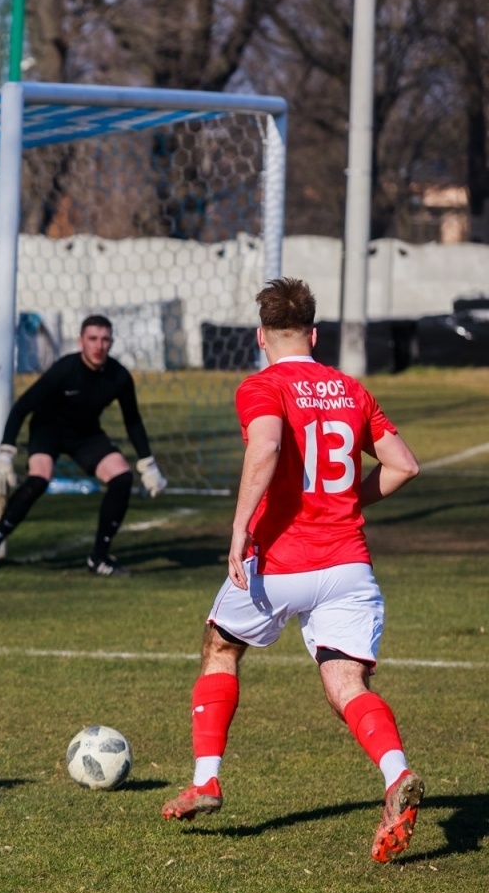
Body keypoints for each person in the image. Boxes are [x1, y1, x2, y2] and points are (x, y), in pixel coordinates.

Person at [160, 278, 423, 863]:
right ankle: (396, 773)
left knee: (220, 646)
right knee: (346, 684)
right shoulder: (350, 389)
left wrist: (239, 527)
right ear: (314, 334)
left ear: (261, 337)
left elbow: (267, 447)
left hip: (281, 560)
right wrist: (347, 500)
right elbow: (404, 465)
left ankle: (206, 779)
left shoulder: (263, 385)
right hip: (348, 565)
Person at [0, 315, 168, 577]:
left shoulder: (119, 376)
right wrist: (5, 454)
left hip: (85, 434)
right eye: (93, 339)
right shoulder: (64, 369)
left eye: (105, 339)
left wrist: (148, 465)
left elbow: (132, 421)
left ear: (111, 342)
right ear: (81, 341)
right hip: (48, 430)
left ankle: (99, 558)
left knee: (122, 477)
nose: (99, 345)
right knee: (39, 479)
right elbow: (22, 407)